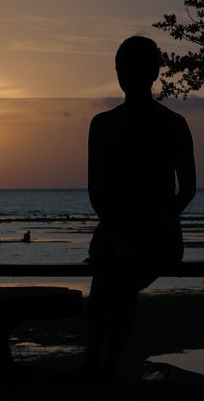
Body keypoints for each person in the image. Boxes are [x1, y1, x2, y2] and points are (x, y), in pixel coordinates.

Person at [81, 36, 196, 381]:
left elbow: (186, 190)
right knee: (111, 277)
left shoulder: (171, 124)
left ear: (152, 72)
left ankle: (103, 364)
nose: (125, 75)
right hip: (121, 233)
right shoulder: (103, 124)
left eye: (128, 69)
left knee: (118, 278)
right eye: (123, 69)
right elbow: (97, 191)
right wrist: (121, 230)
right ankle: (101, 364)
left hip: (155, 236)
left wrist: (149, 227)